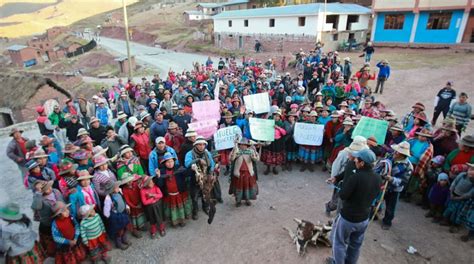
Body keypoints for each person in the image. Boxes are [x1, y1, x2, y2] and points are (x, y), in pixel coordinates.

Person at [327, 149, 381, 264]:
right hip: (364, 218)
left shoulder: (356, 178)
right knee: (355, 245)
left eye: (357, 159)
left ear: (362, 163)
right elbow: (376, 195)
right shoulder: (378, 178)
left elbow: (343, 195)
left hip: (348, 218)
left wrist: (341, 186)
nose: (355, 160)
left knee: (339, 243)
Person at [375, 142, 413, 230]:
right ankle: (374, 214)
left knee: (390, 206)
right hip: (382, 184)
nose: (395, 153)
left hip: (395, 189)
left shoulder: (408, 166)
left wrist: (392, 179)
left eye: (398, 152)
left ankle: (387, 222)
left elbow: (404, 181)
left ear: (403, 155)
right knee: (377, 201)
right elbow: (380, 165)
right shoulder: (389, 157)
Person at [155, 152, 192, 227]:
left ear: (174, 161)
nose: (170, 163)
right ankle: (174, 222)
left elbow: (187, 174)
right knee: (173, 209)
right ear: (164, 163)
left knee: (180, 208)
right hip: (169, 195)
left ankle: (182, 220)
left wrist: (191, 169)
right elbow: (160, 185)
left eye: (171, 161)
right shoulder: (162, 172)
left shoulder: (179, 168)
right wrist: (158, 177)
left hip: (179, 193)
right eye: (168, 162)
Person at [31, 180, 64, 257]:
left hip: (61, 217)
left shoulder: (56, 191)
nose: (48, 189)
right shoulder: (39, 198)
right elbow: (36, 207)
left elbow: (62, 201)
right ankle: (56, 254)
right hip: (49, 222)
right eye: (45, 189)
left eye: (49, 187)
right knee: (53, 238)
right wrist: (38, 193)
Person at [229, 138, 260, 207]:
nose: (243, 146)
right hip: (238, 173)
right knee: (238, 187)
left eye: (244, 145)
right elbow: (231, 159)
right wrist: (235, 148)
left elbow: (256, 159)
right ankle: (238, 200)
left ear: (247, 145)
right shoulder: (236, 151)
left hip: (248, 173)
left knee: (247, 186)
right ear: (239, 145)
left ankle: (247, 199)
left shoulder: (251, 151)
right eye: (241, 145)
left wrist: (254, 153)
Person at [103, 181, 131, 250]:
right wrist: (110, 217)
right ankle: (119, 243)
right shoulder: (108, 198)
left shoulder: (119, 192)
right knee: (119, 230)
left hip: (123, 213)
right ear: (112, 189)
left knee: (125, 227)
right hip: (116, 217)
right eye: (116, 187)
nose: (118, 188)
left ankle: (124, 238)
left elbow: (123, 201)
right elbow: (106, 212)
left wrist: (127, 206)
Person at [120, 173, 146, 238]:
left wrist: (140, 201)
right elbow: (127, 200)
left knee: (140, 215)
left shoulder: (135, 184)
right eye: (127, 181)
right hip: (133, 206)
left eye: (130, 180)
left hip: (139, 203)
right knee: (134, 218)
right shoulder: (124, 190)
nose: (130, 182)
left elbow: (140, 192)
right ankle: (135, 229)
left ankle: (141, 226)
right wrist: (133, 206)